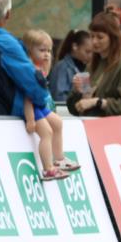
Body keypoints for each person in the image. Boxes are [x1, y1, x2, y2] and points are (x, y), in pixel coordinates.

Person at [20, 29, 80, 181]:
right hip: (33, 108)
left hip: (40, 106)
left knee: (58, 123)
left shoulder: (40, 69)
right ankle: (48, 169)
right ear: (29, 50)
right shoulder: (29, 70)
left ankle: (59, 159)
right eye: (42, 50)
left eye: (49, 51)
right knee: (46, 133)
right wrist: (31, 119)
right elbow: (27, 97)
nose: (47, 54)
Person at [67, 11, 121, 116]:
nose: (94, 41)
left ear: (113, 38)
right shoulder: (91, 65)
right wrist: (79, 93)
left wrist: (97, 102)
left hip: (112, 130)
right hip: (90, 127)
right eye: (92, 36)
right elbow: (76, 108)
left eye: (100, 37)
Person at [48, 29, 92, 101]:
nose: (91, 56)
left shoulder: (85, 68)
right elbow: (59, 97)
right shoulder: (62, 67)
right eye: (87, 52)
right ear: (75, 46)